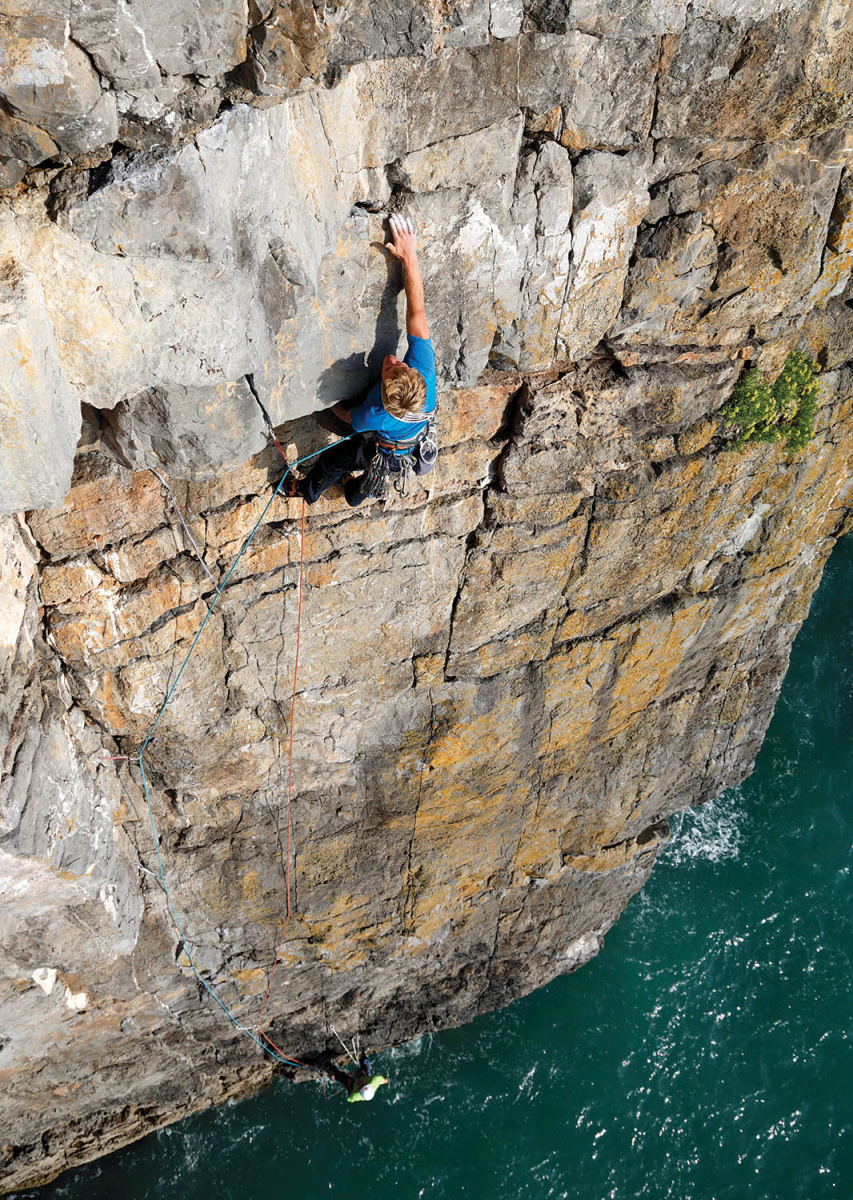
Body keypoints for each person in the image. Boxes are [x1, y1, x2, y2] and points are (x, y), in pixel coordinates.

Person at [296, 213, 437, 507]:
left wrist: (318, 397)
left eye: (387, 370)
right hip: (408, 444)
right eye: (399, 365)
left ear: (383, 396)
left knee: (334, 461)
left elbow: (346, 415)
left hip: (386, 449)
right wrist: (409, 257)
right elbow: (417, 312)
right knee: (371, 479)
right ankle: (355, 494)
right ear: (415, 374)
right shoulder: (424, 372)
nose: (391, 360)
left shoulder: (374, 414)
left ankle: (305, 491)